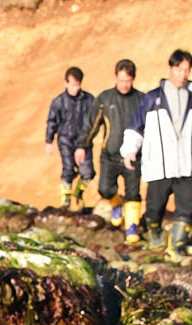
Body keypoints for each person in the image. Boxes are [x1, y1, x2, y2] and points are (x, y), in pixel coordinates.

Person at [121, 49, 192, 257]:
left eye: (187, 70)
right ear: (170, 69)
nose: (183, 75)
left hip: (186, 165)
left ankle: (176, 247)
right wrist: (129, 150)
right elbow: (136, 127)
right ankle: (155, 234)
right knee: (154, 209)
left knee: (186, 208)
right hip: (160, 165)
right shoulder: (153, 98)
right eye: (179, 70)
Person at [75, 59, 145, 243]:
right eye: (121, 80)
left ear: (133, 79)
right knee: (105, 190)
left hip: (134, 157)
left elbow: (151, 128)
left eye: (128, 81)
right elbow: (91, 124)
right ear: (115, 77)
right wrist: (82, 145)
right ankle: (116, 204)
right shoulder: (105, 99)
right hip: (110, 155)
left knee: (133, 193)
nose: (124, 84)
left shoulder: (141, 100)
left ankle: (132, 227)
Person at [45, 66, 95, 210]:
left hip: (84, 141)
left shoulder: (89, 100)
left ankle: (78, 193)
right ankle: (65, 198)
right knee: (68, 168)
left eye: (77, 85)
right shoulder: (58, 102)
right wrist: (48, 141)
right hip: (66, 140)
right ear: (65, 83)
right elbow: (52, 121)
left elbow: (96, 119)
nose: (75, 88)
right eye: (72, 85)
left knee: (88, 172)